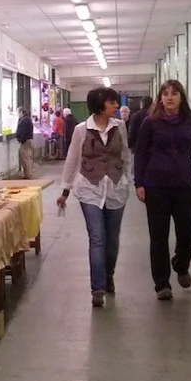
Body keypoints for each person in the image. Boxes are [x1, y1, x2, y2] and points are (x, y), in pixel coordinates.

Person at [134, 80, 191, 302]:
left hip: (184, 185)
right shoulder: (150, 123)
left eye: (174, 93)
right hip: (156, 186)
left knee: (188, 233)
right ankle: (162, 284)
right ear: (160, 98)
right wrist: (139, 183)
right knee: (158, 236)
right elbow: (140, 153)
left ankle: (181, 264)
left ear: (181, 97)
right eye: (165, 94)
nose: (169, 97)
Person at [57, 87, 131, 308]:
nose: (116, 106)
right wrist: (65, 190)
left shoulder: (120, 126)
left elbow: (125, 155)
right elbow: (72, 159)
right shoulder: (81, 130)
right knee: (97, 238)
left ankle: (108, 275)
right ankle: (97, 288)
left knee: (112, 240)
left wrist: (128, 179)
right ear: (100, 105)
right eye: (112, 102)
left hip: (116, 188)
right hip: (89, 188)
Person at [15, 107, 34, 179]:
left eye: (18, 113)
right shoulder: (27, 119)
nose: (18, 115)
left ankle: (27, 174)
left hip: (25, 141)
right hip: (28, 140)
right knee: (28, 157)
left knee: (25, 158)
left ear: (21, 112)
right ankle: (28, 173)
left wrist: (21, 139)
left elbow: (23, 132)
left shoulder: (24, 120)